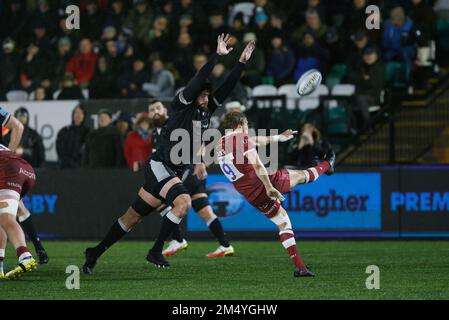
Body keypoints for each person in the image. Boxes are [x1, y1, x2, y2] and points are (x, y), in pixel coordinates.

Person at [83, 34, 254, 272]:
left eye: (207, 95)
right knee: (183, 203)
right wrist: (217, 56)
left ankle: (94, 252)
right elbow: (198, 79)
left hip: (173, 171)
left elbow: (226, 87)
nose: (207, 98)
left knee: (131, 218)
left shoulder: (205, 110)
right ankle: (155, 251)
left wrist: (241, 64)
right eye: (203, 94)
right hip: (160, 166)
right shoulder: (182, 104)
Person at [217, 111, 335, 277]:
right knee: (302, 176)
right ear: (239, 125)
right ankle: (327, 164)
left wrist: (279, 137)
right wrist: (268, 187)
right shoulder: (241, 138)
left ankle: (300, 267)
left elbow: (255, 140)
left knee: (283, 222)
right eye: (246, 126)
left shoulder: (219, 146)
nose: (247, 129)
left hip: (251, 195)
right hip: (265, 183)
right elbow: (257, 165)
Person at [147, 100, 234, 258]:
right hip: (189, 173)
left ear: (165, 109)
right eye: (152, 109)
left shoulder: (175, 123)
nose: (156, 111)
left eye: (158, 107)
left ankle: (178, 239)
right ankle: (225, 245)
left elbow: (199, 137)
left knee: (158, 200)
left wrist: (199, 160)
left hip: (188, 169)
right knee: (204, 210)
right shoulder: (156, 132)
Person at [0, 107, 40, 279]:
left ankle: (25, 257)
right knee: (2, 217)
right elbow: (18, 126)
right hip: (25, 169)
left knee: (6, 218)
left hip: (9, 169)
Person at [347, 46, 385, 127]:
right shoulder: (361, 66)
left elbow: (372, 84)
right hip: (360, 95)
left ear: (376, 55)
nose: (368, 57)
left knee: (361, 98)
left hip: (374, 97)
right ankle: (352, 127)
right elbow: (351, 78)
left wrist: (361, 81)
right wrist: (363, 79)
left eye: (370, 54)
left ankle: (368, 125)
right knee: (350, 100)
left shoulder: (379, 67)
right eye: (366, 55)